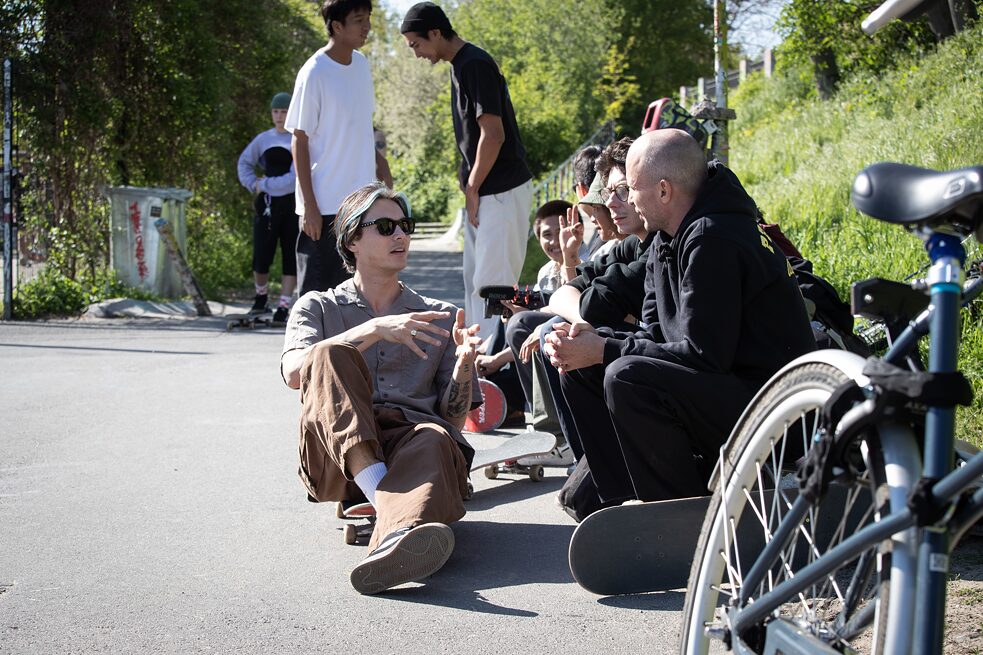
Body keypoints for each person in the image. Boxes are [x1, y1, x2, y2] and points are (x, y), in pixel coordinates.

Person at [545, 129, 816, 507]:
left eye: (631, 189)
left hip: (774, 411)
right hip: (724, 388)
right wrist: (587, 345)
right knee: (581, 367)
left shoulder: (714, 238)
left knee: (624, 376)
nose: (618, 203)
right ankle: (623, 502)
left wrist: (604, 349)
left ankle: (677, 514)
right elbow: (656, 334)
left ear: (663, 190)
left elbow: (703, 354)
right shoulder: (666, 239)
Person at [280, 181, 482, 595]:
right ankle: (388, 503)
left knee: (434, 436)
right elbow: (296, 372)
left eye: (405, 225)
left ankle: (396, 540)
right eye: (386, 226)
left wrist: (463, 368)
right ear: (352, 239)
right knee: (327, 355)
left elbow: (452, 418)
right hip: (336, 462)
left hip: (416, 451)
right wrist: (372, 330)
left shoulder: (439, 316)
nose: (402, 236)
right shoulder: (317, 306)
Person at [400, 2, 533, 343]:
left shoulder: (475, 64)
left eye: (416, 44)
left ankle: (496, 374)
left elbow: (494, 134)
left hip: (500, 189)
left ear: (435, 32)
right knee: (478, 285)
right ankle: (477, 367)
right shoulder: (459, 65)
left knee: (494, 288)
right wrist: (472, 191)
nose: (416, 54)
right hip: (486, 193)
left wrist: (472, 188)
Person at [286, 0, 393, 296]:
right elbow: (299, 139)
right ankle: (307, 346)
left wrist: (381, 166)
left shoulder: (361, 65)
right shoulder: (315, 71)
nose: (367, 26)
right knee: (317, 298)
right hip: (323, 207)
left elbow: (361, 128)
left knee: (357, 294)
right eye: (359, 20)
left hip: (361, 205)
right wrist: (309, 205)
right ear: (337, 26)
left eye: (368, 18)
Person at [237, 92, 299, 321]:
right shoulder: (263, 139)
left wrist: (266, 184)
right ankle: (260, 298)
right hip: (266, 204)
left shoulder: (298, 139)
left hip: (293, 204)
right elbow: (244, 163)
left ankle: (284, 306)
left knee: (289, 254)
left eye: (284, 111)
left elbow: (294, 179)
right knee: (262, 252)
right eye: (276, 111)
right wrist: (253, 184)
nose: (280, 116)